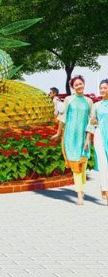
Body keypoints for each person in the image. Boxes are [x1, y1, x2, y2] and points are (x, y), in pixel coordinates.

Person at [59, 75, 92, 205]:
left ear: (84, 84)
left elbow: (91, 121)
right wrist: (57, 133)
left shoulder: (89, 101)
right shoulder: (69, 99)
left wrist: (88, 139)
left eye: (81, 83)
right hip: (70, 137)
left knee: (82, 165)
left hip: (83, 138)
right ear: (73, 87)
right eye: (76, 84)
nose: (79, 86)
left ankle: (81, 189)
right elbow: (63, 117)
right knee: (75, 166)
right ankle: (79, 194)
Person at [92, 79, 108, 205]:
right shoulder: (96, 105)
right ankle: (105, 189)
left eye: (105, 88)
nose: (102, 90)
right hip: (100, 135)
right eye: (101, 88)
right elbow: (92, 121)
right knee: (103, 163)